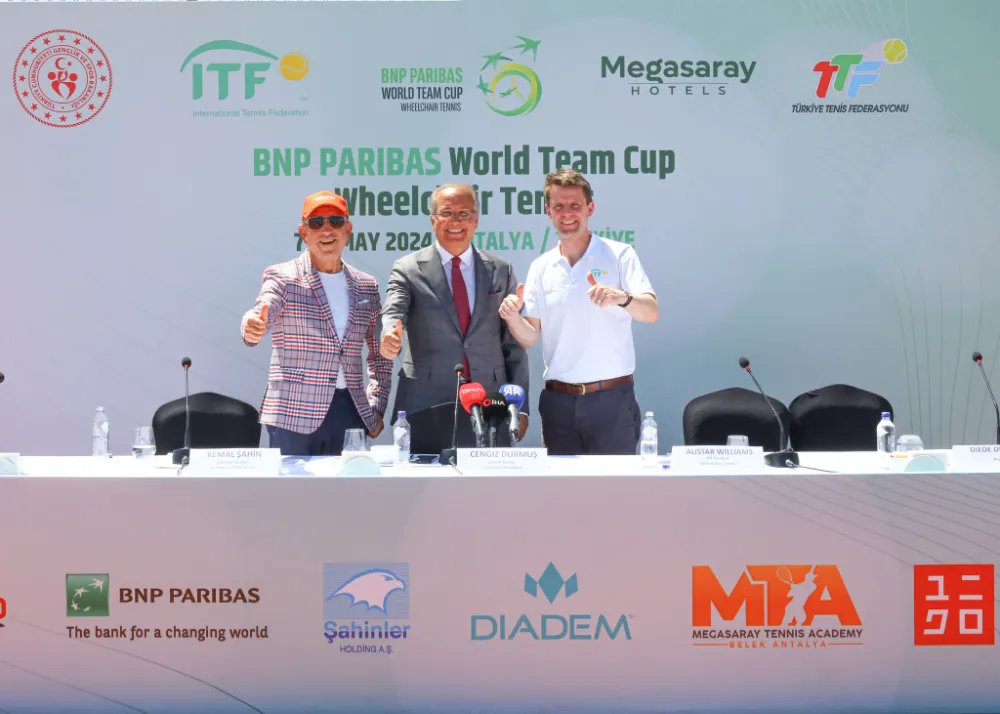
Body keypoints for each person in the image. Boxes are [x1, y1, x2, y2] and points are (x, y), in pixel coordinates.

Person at [498, 169, 658, 455]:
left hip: (610, 401)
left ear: (590, 209)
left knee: (614, 484)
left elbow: (650, 312)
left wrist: (622, 298)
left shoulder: (619, 254)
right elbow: (530, 336)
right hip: (559, 403)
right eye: (559, 206)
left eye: (575, 205)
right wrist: (512, 318)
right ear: (548, 211)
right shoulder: (541, 267)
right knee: (561, 485)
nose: (567, 213)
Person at [241, 191, 393, 456]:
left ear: (348, 230)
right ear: (304, 233)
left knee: (350, 485)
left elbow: (379, 354)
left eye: (335, 221)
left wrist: (377, 406)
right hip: (293, 414)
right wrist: (252, 325)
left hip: (349, 412)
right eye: (316, 223)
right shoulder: (282, 277)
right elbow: (264, 307)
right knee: (290, 486)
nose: (326, 230)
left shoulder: (366, 285)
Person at [379, 183, 529, 445]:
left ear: (475, 220)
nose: (455, 221)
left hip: (491, 402)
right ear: (433, 220)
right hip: (426, 403)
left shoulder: (500, 269)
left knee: (489, 473)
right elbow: (394, 310)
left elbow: (513, 344)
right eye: (447, 213)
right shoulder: (408, 268)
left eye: (464, 214)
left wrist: (520, 408)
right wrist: (390, 334)